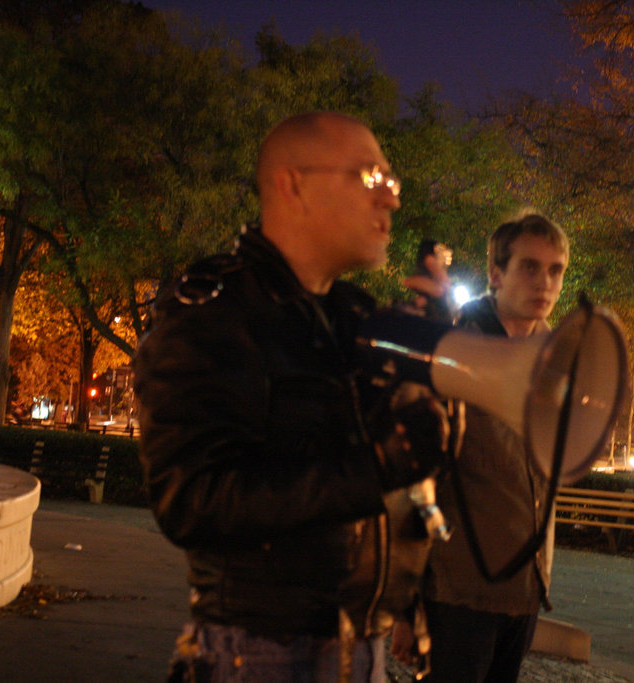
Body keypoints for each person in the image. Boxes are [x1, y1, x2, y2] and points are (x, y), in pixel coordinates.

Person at [134, 112, 448, 682]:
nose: (392, 201)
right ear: (293, 183)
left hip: (357, 649)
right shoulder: (213, 311)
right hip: (258, 657)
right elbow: (192, 501)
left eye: (392, 183)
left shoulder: (348, 315)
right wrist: (375, 465)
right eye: (371, 178)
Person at [422, 212, 569, 682]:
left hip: (525, 588)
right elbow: (417, 478)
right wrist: (408, 605)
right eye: (529, 267)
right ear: (496, 274)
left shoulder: (556, 360)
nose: (544, 282)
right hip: (459, 589)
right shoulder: (457, 348)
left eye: (555, 270)